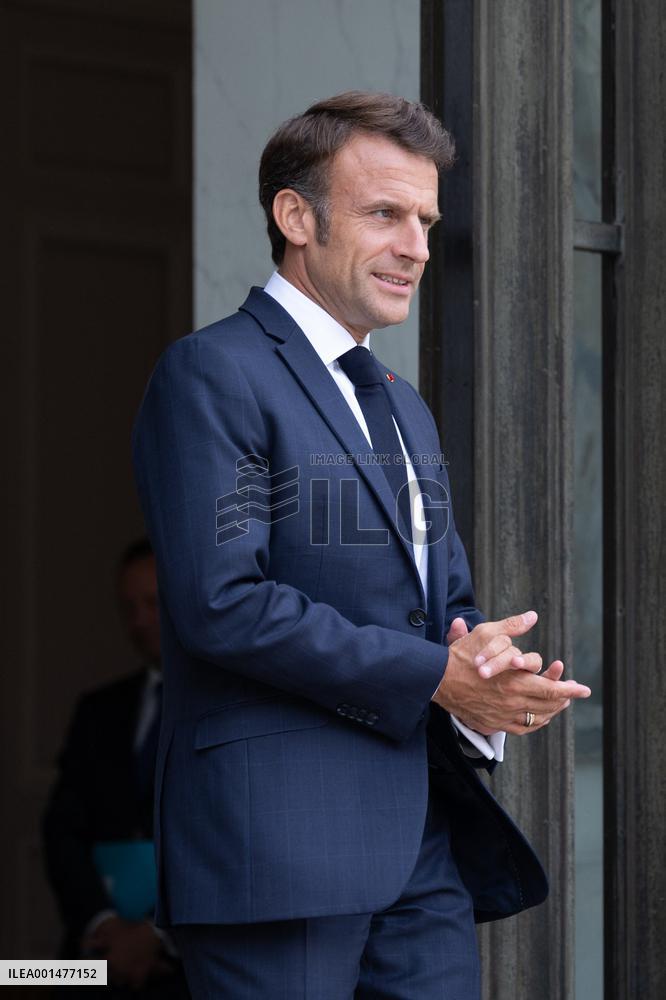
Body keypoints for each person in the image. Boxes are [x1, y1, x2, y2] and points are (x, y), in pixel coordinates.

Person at [131, 91, 591, 999]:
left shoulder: (401, 402)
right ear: (295, 216)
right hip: (277, 853)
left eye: (425, 220)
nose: (418, 246)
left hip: (422, 851)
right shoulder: (211, 373)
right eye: (387, 214)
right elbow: (225, 602)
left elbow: (440, 600)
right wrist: (431, 676)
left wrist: (482, 672)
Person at [42, 539, 190, 999]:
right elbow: (61, 828)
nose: (139, 621)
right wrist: (103, 923)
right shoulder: (97, 710)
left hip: (190, 964)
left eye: (151, 603)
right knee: (17, 974)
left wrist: (155, 934)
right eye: (128, 607)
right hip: (93, 961)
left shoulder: (224, 709)